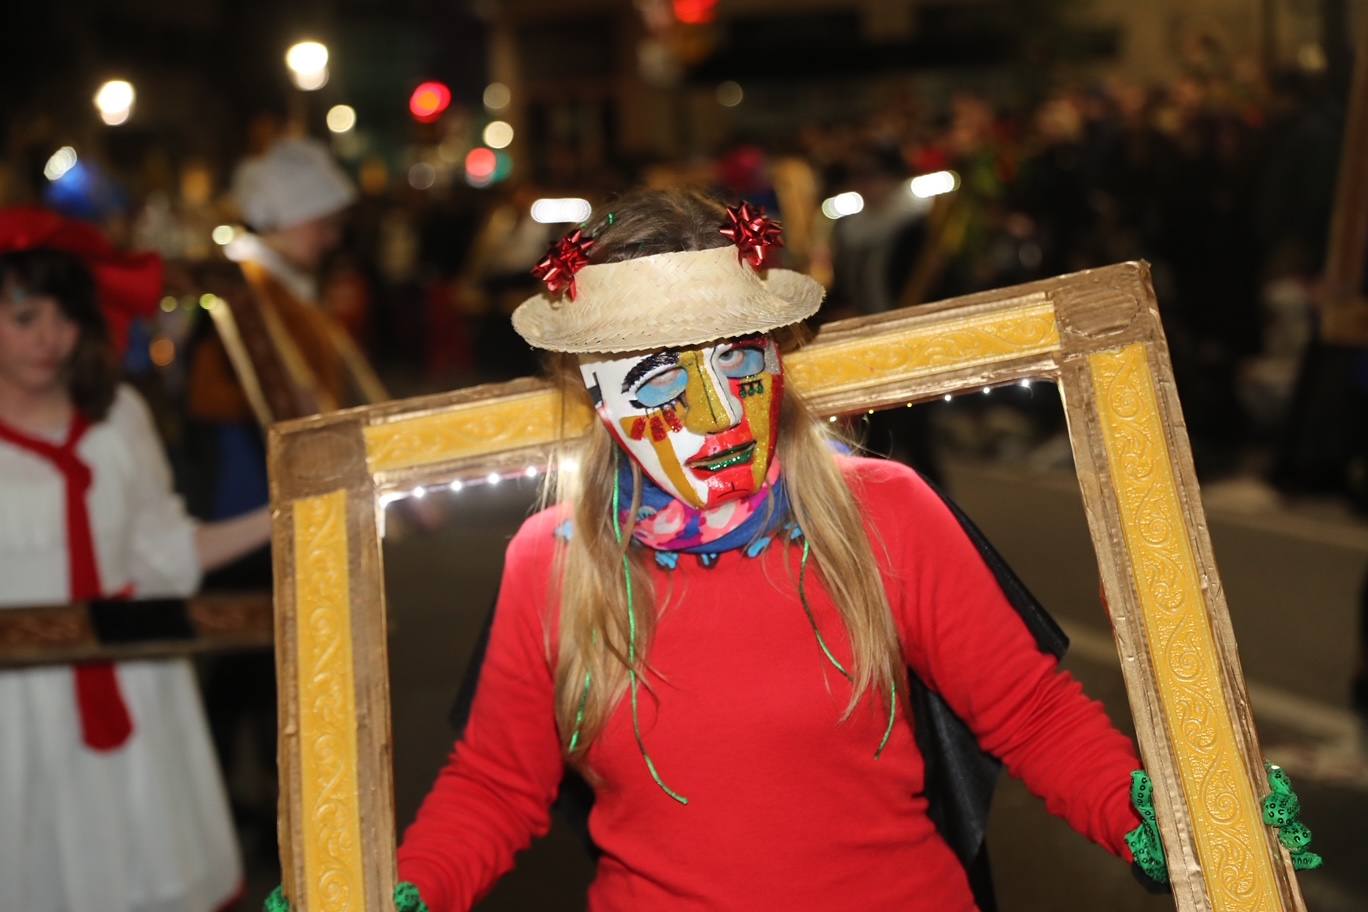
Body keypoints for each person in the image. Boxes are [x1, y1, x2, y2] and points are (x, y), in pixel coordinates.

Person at [274, 189, 1319, 912]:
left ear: (777, 357)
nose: (714, 406)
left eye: (738, 360)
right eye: (658, 381)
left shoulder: (882, 512)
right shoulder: (551, 562)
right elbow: (499, 785)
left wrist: (1168, 815)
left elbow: (1032, 713)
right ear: (595, 401)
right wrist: (391, 888)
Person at [0, 208, 271, 912]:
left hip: (137, 683)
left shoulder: (119, 415)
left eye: (64, 317)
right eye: (24, 318)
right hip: (15, 713)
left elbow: (167, 551)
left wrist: (291, 513)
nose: (49, 339)